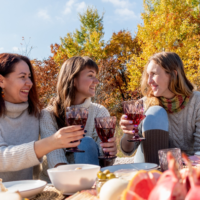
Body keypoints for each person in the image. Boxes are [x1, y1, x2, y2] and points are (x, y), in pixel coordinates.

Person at [0, 53, 85, 182]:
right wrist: (51, 142)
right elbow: (2, 158)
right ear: (1, 81)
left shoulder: (34, 113)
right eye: (22, 77)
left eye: (29, 77)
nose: (30, 83)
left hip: (27, 192)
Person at [40, 56, 117, 181]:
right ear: (73, 79)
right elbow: (56, 160)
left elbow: (105, 163)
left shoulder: (99, 111)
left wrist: (109, 152)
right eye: (90, 75)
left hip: (90, 178)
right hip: (59, 182)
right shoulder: (48, 114)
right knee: (85, 141)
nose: (96, 81)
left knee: (85, 142)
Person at [120, 52, 200, 163]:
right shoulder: (143, 104)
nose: (149, 81)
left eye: (153, 74)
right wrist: (128, 132)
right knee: (155, 111)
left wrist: (176, 164)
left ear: (173, 74)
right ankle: (154, 176)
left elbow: (199, 151)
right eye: (148, 75)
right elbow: (127, 150)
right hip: (148, 164)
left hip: (184, 164)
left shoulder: (196, 102)